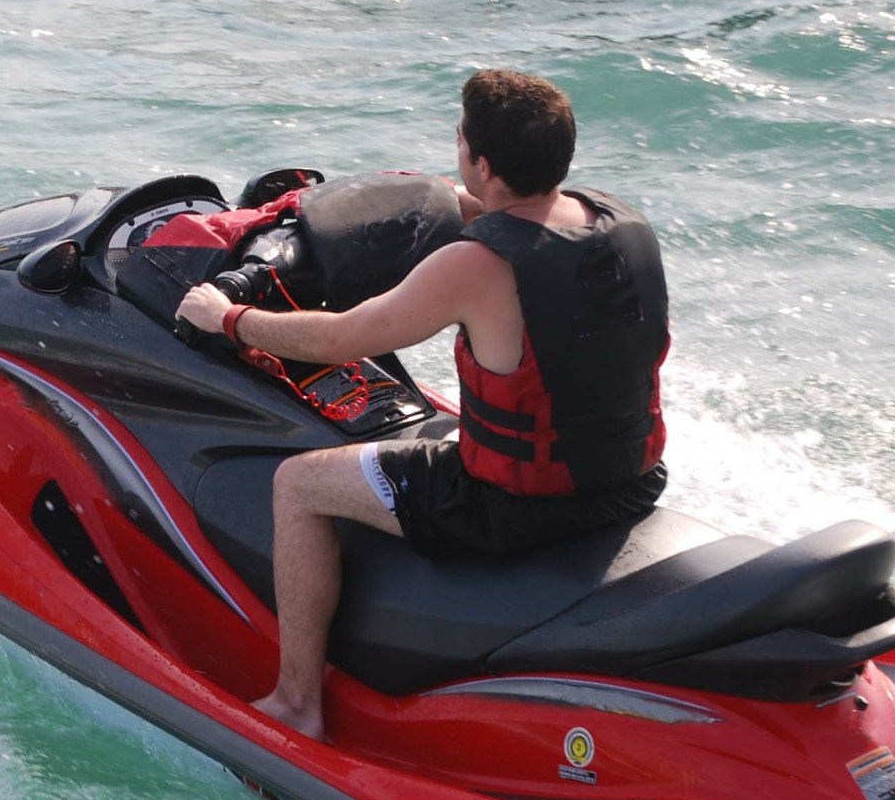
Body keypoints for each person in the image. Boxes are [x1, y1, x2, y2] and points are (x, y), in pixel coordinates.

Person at [174, 71, 671, 740]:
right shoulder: (621, 222)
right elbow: (519, 229)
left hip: (510, 509)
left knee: (297, 484)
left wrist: (229, 317)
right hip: (626, 487)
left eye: (462, 140)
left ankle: (296, 703)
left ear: (482, 161)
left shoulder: (476, 265)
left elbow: (344, 335)